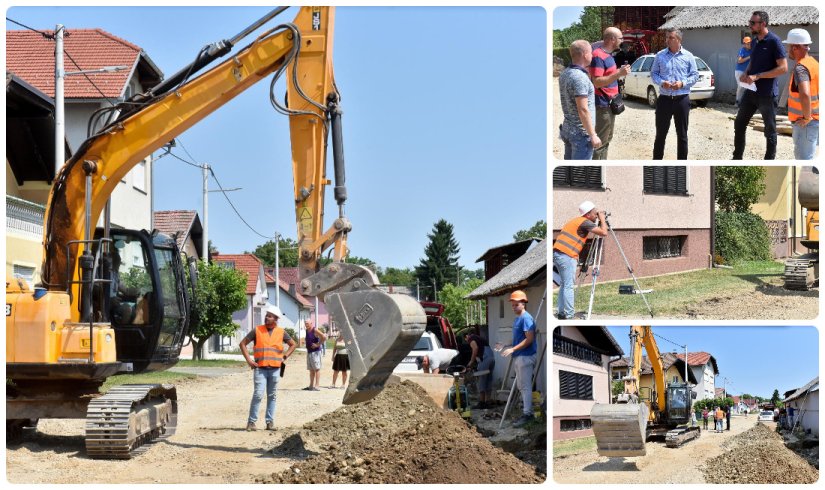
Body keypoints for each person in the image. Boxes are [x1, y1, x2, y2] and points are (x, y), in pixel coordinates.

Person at [732, 11, 788, 160]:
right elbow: (753, 60)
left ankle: (769, 160)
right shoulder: (755, 41)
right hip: (751, 92)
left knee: (770, 130)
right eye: (750, 22)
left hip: (767, 94)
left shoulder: (774, 41)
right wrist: (747, 72)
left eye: (753, 23)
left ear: (763, 24)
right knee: (739, 123)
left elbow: (783, 68)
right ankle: (737, 158)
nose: (749, 25)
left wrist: (757, 76)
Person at [239, 304, 297, 431]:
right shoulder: (257, 330)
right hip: (260, 369)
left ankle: (270, 422)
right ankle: (251, 422)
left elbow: (293, 344)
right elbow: (242, 344)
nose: (266, 318)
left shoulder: (282, 332)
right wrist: (249, 360)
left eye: (270, 316)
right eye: (266, 315)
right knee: (258, 394)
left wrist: (285, 356)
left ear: (276, 319)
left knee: (272, 395)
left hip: (276, 369)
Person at [552, 201, 608, 319]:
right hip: (567, 255)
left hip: (559, 254)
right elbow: (604, 232)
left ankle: (562, 312)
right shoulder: (585, 222)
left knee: (564, 284)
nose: (596, 215)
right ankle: (569, 315)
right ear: (588, 214)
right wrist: (602, 219)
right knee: (568, 285)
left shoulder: (575, 220)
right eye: (594, 213)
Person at [650, 28, 699, 160]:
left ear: (679, 40)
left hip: (682, 100)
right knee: (660, 134)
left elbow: (695, 75)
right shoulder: (660, 55)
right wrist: (661, 82)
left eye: (670, 37)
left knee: (682, 135)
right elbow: (653, 73)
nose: (667, 40)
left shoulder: (688, 56)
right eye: (667, 37)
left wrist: (682, 83)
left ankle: (682, 164)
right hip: (664, 100)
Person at [589, 27, 631, 160]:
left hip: (609, 104)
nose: (622, 41)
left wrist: (619, 71)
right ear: (612, 39)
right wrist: (619, 73)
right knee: (600, 142)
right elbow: (597, 82)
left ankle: (602, 165)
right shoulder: (598, 55)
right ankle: (596, 172)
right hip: (602, 105)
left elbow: (607, 76)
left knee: (607, 139)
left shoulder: (608, 56)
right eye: (621, 38)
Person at [559, 40, 601, 159]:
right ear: (585, 54)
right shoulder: (580, 78)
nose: (592, 56)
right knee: (580, 172)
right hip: (581, 134)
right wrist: (592, 135)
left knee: (569, 170)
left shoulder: (565, 73)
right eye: (591, 53)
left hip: (568, 129)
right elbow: (583, 109)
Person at [502, 290, 537, 428]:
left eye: (516, 304)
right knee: (521, 386)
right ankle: (526, 411)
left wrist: (513, 349)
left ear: (523, 303)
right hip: (519, 356)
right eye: (512, 305)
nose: (514, 307)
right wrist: (506, 344)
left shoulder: (526, 318)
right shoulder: (518, 319)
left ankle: (528, 414)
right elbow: (518, 338)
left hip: (526, 356)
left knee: (525, 386)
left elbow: (529, 339)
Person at [782, 28, 819, 160]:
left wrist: (807, 117)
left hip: (806, 123)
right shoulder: (814, 63)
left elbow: (805, 93)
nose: (787, 50)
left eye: (788, 46)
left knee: (804, 160)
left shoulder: (801, 68)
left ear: (795, 47)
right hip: (815, 120)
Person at [465, 331, 495, 409]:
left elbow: (475, 348)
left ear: (466, 336)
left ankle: (482, 403)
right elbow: (479, 354)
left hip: (485, 359)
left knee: (481, 379)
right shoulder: (480, 339)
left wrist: (471, 362)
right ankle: (488, 402)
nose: (468, 343)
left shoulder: (471, 338)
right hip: (491, 358)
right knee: (488, 379)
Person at [303, 319, 326, 391]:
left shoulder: (314, 330)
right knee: (311, 369)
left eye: (307, 323)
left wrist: (318, 344)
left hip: (315, 352)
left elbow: (324, 337)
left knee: (317, 369)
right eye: (305, 323)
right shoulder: (307, 330)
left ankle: (317, 386)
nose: (306, 324)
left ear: (311, 323)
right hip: (309, 352)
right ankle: (311, 386)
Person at [735, 37, 753, 106]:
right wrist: (749, 57)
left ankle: (743, 102)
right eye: (747, 44)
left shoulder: (752, 50)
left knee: (747, 86)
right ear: (744, 44)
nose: (749, 45)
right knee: (741, 86)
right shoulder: (742, 50)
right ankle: (737, 101)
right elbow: (739, 61)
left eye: (749, 43)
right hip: (740, 71)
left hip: (747, 72)